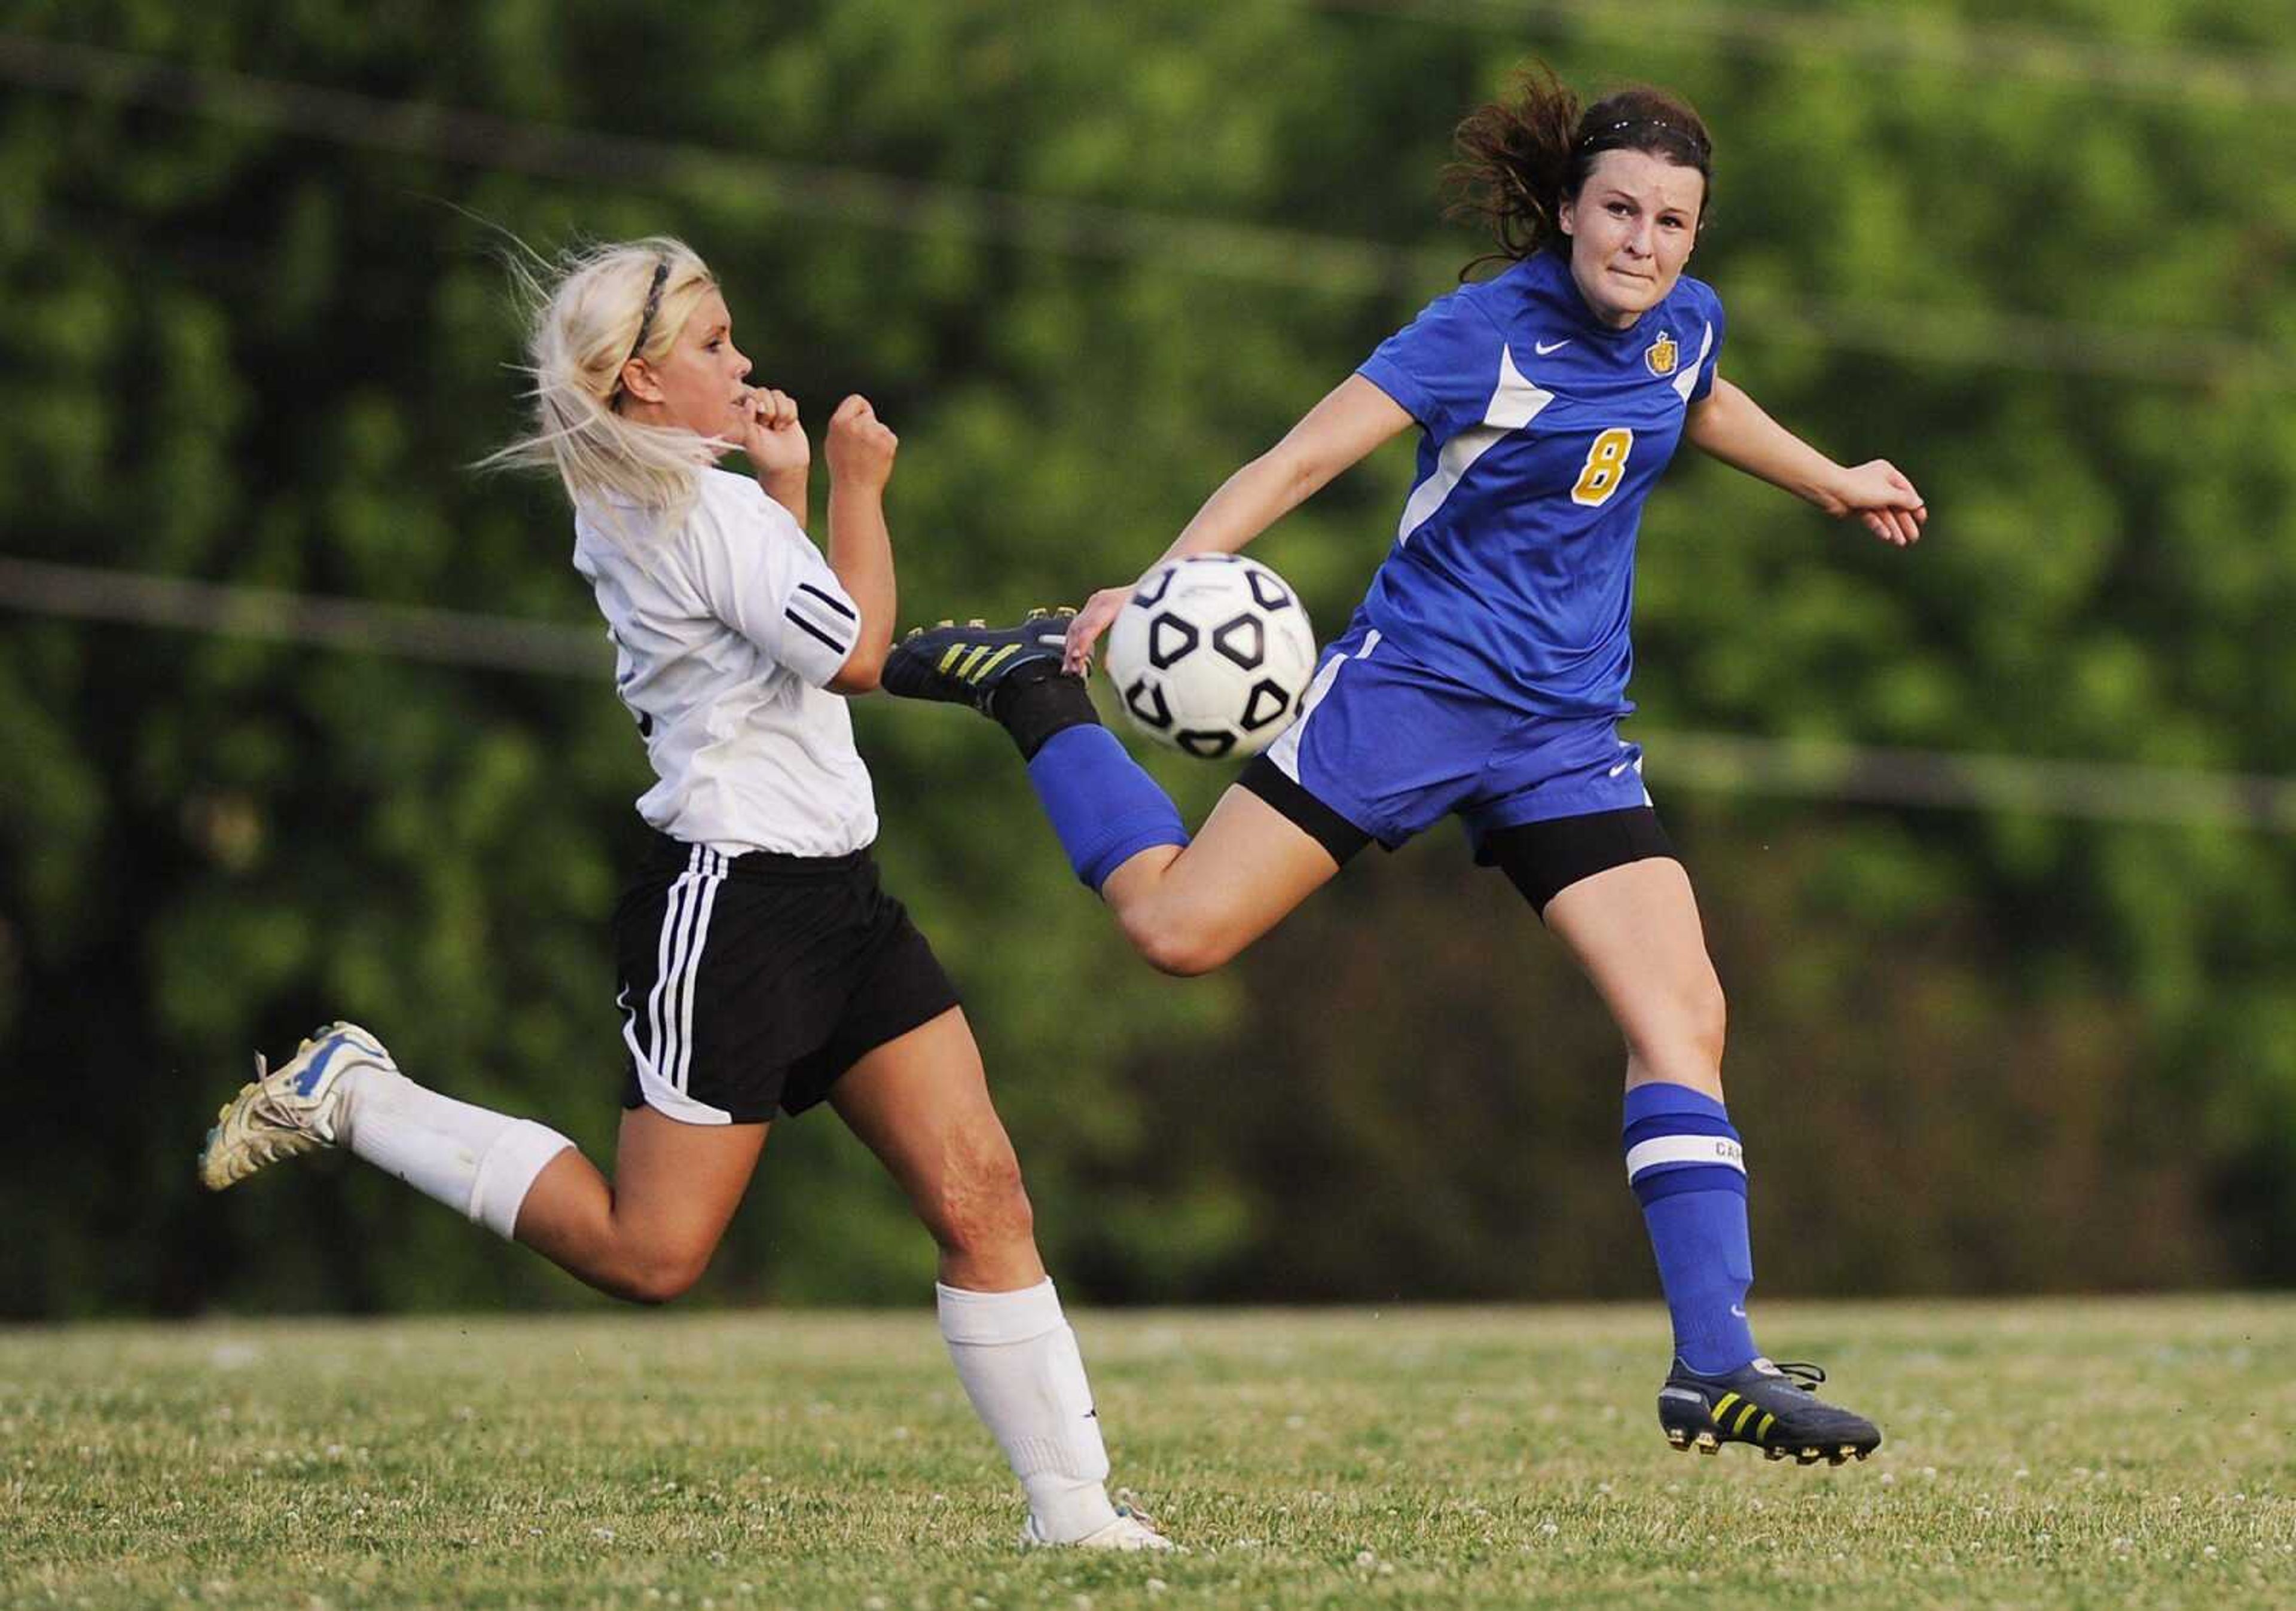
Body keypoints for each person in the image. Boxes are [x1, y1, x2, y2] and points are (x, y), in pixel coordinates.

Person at [879, 69, 1924, 1465]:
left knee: (1687, 1016)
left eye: (1675, 222)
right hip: (1412, 697)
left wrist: (1833, 477)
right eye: (1619, 211)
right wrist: (1157, 587)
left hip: (1563, 736)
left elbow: (1699, 397)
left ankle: (1715, 1365)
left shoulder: (1684, 322)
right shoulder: (1478, 334)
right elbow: (1302, 461)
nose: (1645, 243)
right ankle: (1033, 696)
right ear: (1567, 211)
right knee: (1179, 931)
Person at [196, 237, 1170, 1550]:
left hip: (840, 899)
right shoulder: (695, 511)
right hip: (736, 911)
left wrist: (781, 482)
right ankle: (356, 1095)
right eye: (714, 345)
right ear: (638, 381)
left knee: (982, 1190)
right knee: (648, 1254)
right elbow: (859, 651)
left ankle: (1078, 1520)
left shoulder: (665, 497)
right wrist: (855, 483)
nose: (744, 362)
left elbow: (781, 622)